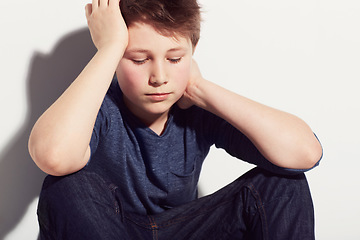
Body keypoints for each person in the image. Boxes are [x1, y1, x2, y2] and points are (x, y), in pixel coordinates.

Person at [28, 0, 323, 239]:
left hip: (183, 228)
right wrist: (109, 47)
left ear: (192, 54)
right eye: (139, 59)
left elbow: (304, 154)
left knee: (285, 183)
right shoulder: (97, 107)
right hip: (110, 229)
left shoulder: (197, 109)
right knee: (66, 186)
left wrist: (198, 88)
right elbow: (52, 156)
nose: (159, 77)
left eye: (174, 59)